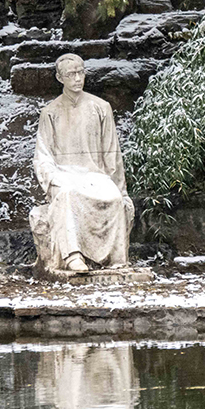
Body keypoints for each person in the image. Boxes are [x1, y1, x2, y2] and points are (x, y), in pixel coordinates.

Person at [30, 53, 133, 272]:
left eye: (81, 72)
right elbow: (43, 156)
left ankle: (115, 259)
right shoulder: (50, 112)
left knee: (114, 198)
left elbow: (111, 153)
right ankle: (72, 255)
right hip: (64, 175)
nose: (77, 78)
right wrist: (52, 180)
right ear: (60, 78)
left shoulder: (101, 107)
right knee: (66, 195)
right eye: (71, 74)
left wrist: (120, 189)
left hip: (95, 176)